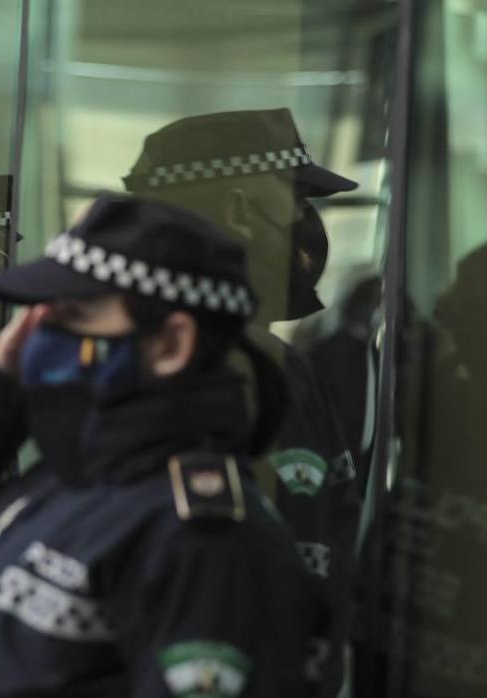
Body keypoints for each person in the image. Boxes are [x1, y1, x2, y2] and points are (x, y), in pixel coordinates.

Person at [0, 193, 319, 697]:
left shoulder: (204, 544)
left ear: (172, 344)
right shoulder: (66, 479)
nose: (40, 337)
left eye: (76, 316)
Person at [121, 109, 362, 693]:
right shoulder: (237, 370)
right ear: (236, 212)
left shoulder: (266, 363)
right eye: (297, 202)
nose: (307, 223)